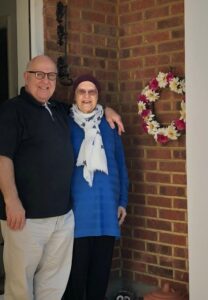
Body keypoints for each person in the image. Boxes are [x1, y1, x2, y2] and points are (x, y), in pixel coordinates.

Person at [0, 55, 124, 300]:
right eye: (39, 74)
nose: (45, 81)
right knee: (20, 286)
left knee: (52, 286)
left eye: (51, 76)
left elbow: (88, 108)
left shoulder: (58, 110)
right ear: (26, 76)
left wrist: (107, 109)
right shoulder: (12, 110)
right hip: (26, 218)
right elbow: (3, 157)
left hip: (62, 218)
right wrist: (11, 201)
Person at [63, 74, 129, 300]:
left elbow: (120, 164)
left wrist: (123, 202)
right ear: (74, 95)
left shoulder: (109, 124)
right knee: (75, 277)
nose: (87, 96)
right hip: (77, 212)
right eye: (82, 91)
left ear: (98, 96)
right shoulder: (65, 123)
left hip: (106, 211)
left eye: (92, 92)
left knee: (100, 278)